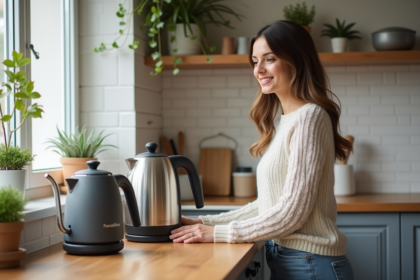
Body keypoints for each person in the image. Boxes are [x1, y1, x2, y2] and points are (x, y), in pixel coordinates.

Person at [169, 20, 354, 280]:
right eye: (255, 61)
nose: (259, 70)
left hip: (311, 265)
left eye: (269, 59)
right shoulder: (287, 120)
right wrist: (205, 223)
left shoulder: (310, 117)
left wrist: (218, 234)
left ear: (297, 60)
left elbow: (291, 213)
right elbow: (270, 205)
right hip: (293, 260)